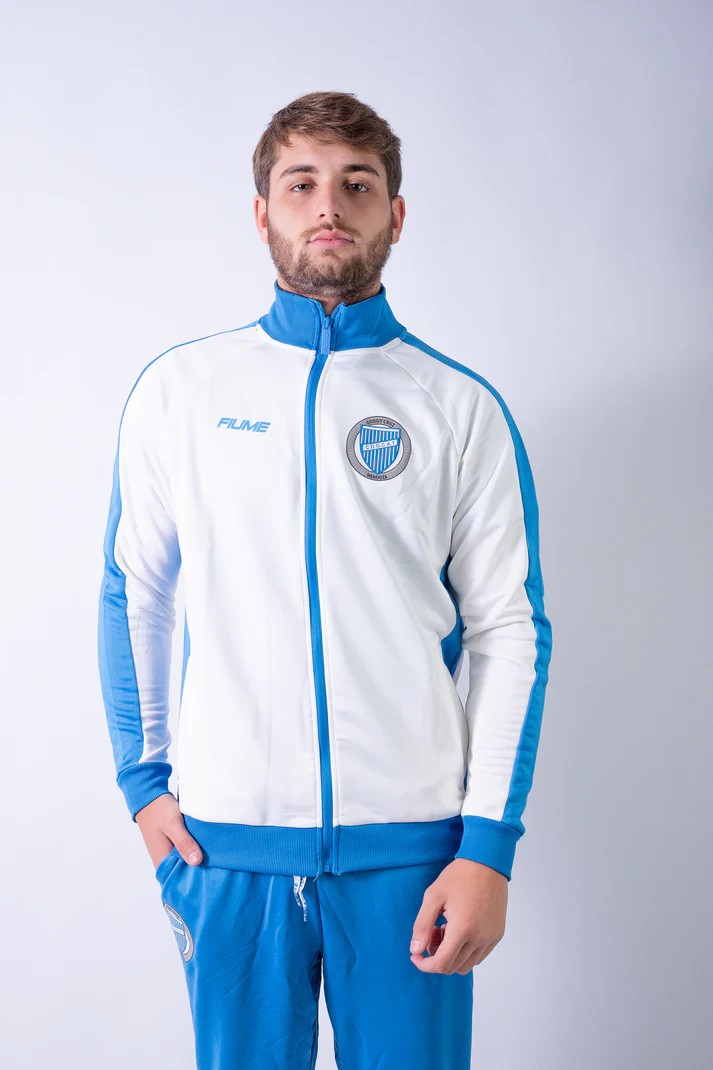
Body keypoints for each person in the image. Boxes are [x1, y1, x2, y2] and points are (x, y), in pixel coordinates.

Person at [97, 89, 553, 1070]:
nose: (328, 206)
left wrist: (486, 845)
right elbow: (135, 590)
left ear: (396, 212)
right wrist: (143, 785)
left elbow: (507, 630)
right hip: (225, 849)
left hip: (411, 855)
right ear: (261, 211)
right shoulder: (182, 392)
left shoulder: (457, 407)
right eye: (300, 183)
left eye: (357, 183)